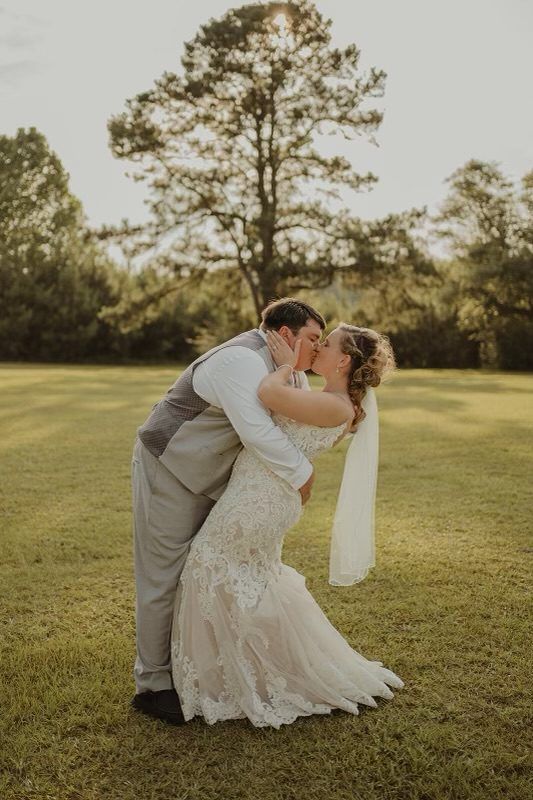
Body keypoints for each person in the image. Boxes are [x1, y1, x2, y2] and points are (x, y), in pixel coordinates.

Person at [170, 321, 404, 728]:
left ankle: (248, 675)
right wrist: (293, 370)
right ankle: (248, 669)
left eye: (327, 344)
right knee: (246, 577)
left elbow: (268, 394)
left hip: (260, 499)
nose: (319, 348)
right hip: (260, 494)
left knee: (210, 564)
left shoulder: (337, 407)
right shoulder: (327, 399)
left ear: (343, 361)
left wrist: (284, 365)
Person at [131, 298, 325, 724]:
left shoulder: (289, 371)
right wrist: (303, 476)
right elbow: (257, 431)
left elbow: (295, 422)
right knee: (163, 575)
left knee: (202, 572)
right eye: (313, 338)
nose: (318, 348)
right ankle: (153, 685)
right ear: (286, 334)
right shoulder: (240, 360)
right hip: (169, 466)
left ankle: (193, 669)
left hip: (216, 477)